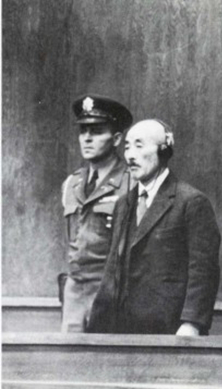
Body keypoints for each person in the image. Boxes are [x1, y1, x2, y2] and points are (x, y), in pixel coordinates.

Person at [87, 119, 221, 335]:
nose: (130, 155)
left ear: (164, 151)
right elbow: (112, 272)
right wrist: (96, 329)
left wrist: (192, 324)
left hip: (170, 332)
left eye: (139, 146)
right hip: (123, 332)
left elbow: (204, 271)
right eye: (127, 147)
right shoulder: (123, 204)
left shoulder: (191, 202)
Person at [61, 94, 133, 332]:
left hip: (111, 293)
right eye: (83, 131)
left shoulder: (131, 183)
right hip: (74, 293)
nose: (87, 138)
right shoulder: (71, 184)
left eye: (97, 131)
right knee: (69, 352)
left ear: (116, 139)